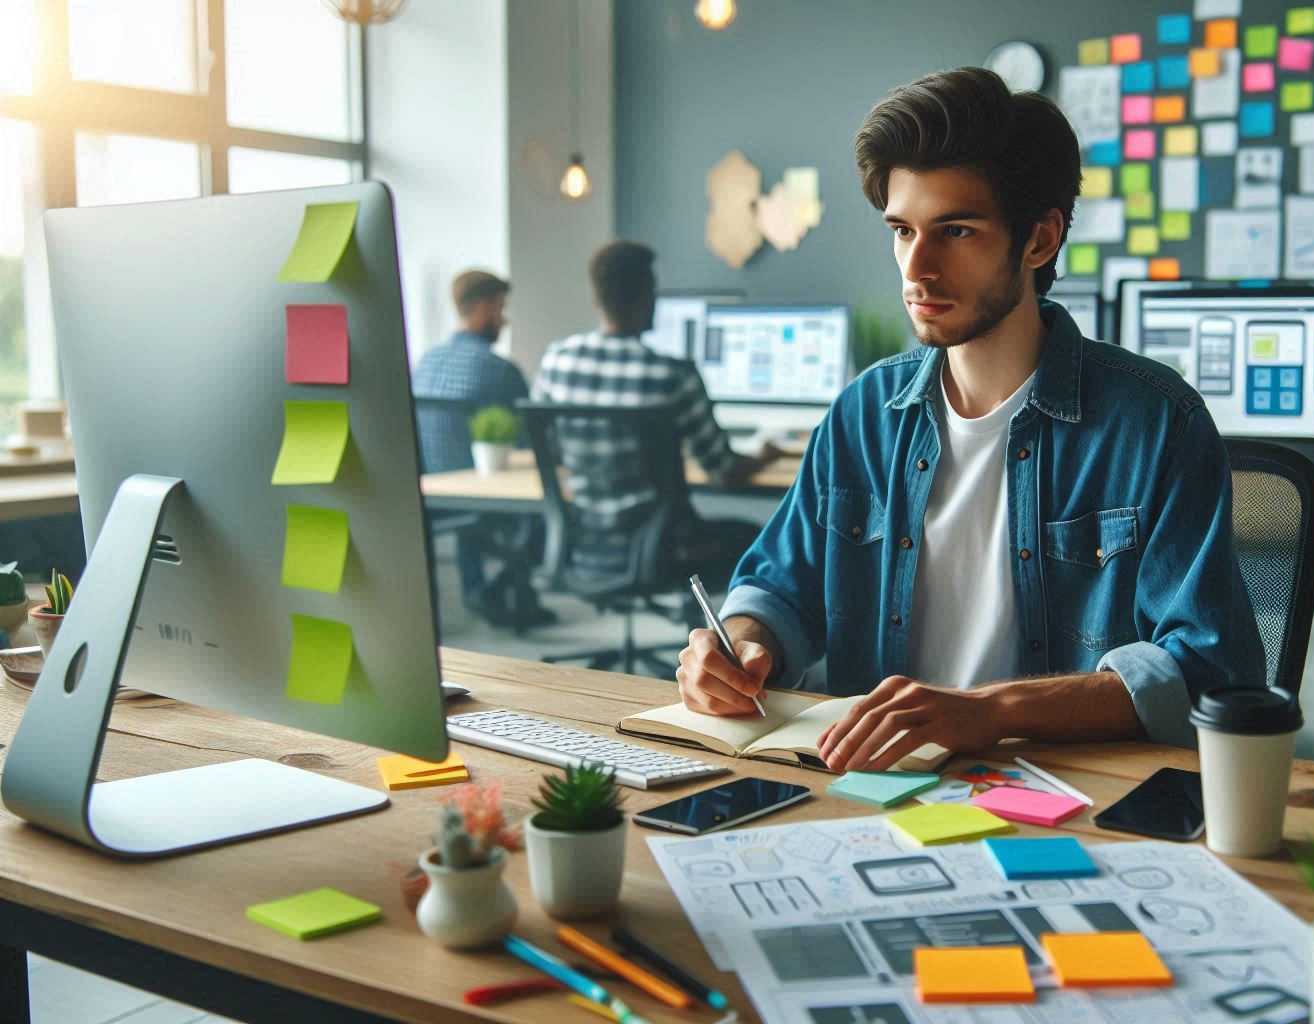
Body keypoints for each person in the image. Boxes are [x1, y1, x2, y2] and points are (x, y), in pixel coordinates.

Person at [676, 67, 1266, 773]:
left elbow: (1208, 667)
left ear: (1039, 240)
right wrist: (740, 644)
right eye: (902, 230)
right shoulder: (862, 414)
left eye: (955, 231)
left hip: (1068, 794)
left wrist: (989, 712)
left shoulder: (1156, 422)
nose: (916, 268)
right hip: (871, 784)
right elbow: (777, 590)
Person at [530, 241, 783, 624]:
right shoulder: (672, 373)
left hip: (583, 542)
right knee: (761, 540)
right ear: (647, 294)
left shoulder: (556, 360)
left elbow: (554, 451)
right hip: (664, 550)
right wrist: (767, 455)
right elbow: (723, 468)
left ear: (597, 296)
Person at [412, 270, 554, 628]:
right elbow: (535, 440)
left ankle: (485, 591)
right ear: (484, 305)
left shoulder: (425, 363)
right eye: (501, 308)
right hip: (486, 496)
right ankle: (499, 593)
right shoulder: (499, 371)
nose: (504, 320)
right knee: (548, 503)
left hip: (432, 495)